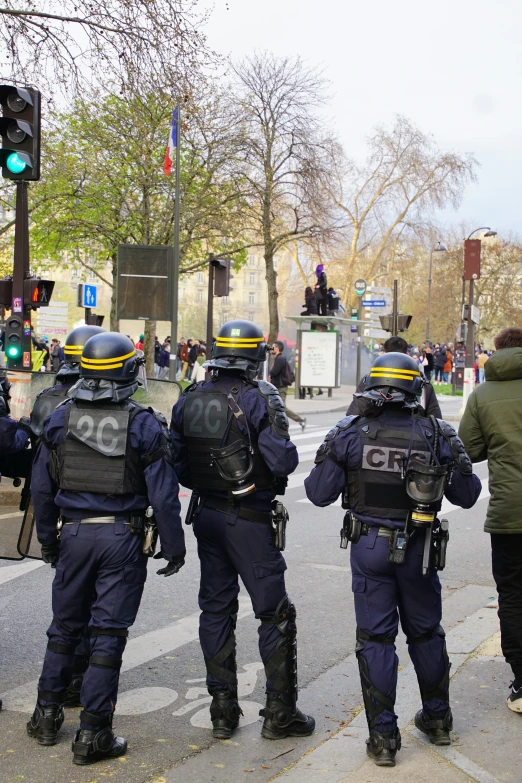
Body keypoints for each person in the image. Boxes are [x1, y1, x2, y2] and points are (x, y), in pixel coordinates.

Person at [304, 352, 481, 766]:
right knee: (426, 632)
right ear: (416, 389)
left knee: (376, 639)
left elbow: (317, 492)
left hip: (369, 547)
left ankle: (383, 740)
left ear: (372, 388)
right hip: (418, 547)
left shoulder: (352, 431)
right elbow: (468, 495)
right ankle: (437, 721)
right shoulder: (436, 432)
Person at [28, 332, 185, 765]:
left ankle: (45, 717)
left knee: (64, 628)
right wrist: (174, 546)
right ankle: (93, 733)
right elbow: (164, 495)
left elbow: (41, 489)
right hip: (122, 539)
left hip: (74, 535)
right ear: (127, 372)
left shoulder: (60, 418)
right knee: (108, 635)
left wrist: (47, 539)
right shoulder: (144, 423)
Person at [170, 319, 315, 742]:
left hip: (207, 516)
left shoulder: (190, 398)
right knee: (275, 613)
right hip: (248, 518)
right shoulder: (258, 399)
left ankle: (222, 712)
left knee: (216, 610)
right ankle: (280, 714)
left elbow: (176, 462)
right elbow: (284, 462)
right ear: (255, 357)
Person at [459, 327, 522, 713]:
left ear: (496, 353)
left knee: (512, 595)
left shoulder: (482, 395)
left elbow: (468, 450)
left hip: (509, 513)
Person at [347, 337, 442, 418]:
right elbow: (435, 420)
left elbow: (353, 415)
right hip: (413, 435)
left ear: (384, 353)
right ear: (406, 354)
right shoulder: (422, 383)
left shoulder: (369, 380)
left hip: (373, 436)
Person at [269, 340, 306, 431]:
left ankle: (300, 420)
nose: (271, 349)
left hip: (280, 387)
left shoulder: (280, 359)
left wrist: (268, 372)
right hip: (277, 387)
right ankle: (274, 425)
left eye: (273, 347)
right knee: (273, 407)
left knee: (282, 408)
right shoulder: (279, 358)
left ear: (277, 348)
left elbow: (274, 372)